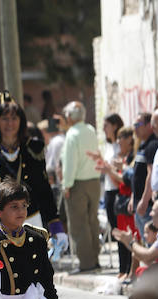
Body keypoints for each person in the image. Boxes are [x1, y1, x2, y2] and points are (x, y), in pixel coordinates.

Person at [0, 90, 66, 249]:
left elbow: (43, 188)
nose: (9, 123)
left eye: (14, 118)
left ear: (21, 121)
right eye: (4, 118)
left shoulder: (33, 148)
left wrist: (55, 224)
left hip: (30, 220)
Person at [60, 101, 102, 272]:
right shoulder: (91, 130)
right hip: (94, 181)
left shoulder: (72, 134)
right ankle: (94, 258)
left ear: (69, 117)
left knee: (79, 224)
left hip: (78, 183)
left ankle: (86, 263)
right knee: (92, 221)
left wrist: (66, 185)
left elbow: (70, 163)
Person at [95, 126, 137, 280]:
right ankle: (124, 269)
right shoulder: (124, 158)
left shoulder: (132, 158)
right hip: (122, 199)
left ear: (129, 140)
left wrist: (110, 170)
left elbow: (126, 180)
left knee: (131, 236)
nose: (118, 141)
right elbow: (118, 180)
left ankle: (131, 270)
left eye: (121, 138)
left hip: (128, 200)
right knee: (121, 237)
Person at [100, 114, 125, 263]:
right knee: (115, 230)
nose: (103, 128)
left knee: (121, 230)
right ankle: (122, 267)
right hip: (109, 191)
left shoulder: (119, 146)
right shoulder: (108, 146)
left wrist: (108, 169)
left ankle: (126, 267)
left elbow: (118, 171)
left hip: (118, 190)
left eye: (106, 125)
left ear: (115, 126)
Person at [131, 112, 158, 234]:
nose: (135, 128)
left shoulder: (153, 145)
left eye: (139, 124)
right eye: (134, 124)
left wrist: (144, 200)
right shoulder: (142, 146)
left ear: (149, 126)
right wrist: (133, 198)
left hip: (147, 205)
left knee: (151, 243)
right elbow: (137, 174)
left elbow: (151, 175)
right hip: (139, 202)